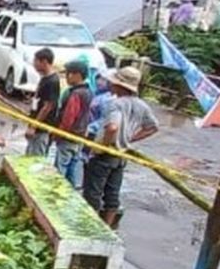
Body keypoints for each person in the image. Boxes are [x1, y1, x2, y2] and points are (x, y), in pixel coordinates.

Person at [82, 66, 158, 228]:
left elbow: (112, 127)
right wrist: (130, 138)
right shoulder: (141, 106)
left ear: (119, 85)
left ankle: (89, 227)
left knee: (93, 193)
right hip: (121, 155)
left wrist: (103, 146)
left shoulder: (115, 104)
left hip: (105, 154)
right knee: (112, 195)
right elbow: (152, 127)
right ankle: (108, 228)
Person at [54, 61, 93, 189]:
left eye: (69, 74)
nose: (67, 77)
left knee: (60, 168)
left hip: (68, 136)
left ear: (77, 75)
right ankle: (71, 193)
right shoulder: (89, 92)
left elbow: (69, 117)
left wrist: (59, 133)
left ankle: (57, 192)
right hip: (80, 136)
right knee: (72, 167)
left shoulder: (75, 94)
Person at [25, 48, 59, 157]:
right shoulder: (44, 78)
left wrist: (34, 126)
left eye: (36, 61)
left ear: (44, 62)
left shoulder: (52, 81)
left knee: (36, 157)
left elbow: (48, 106)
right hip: (35, 124)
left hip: (41, 128)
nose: (34, 64)